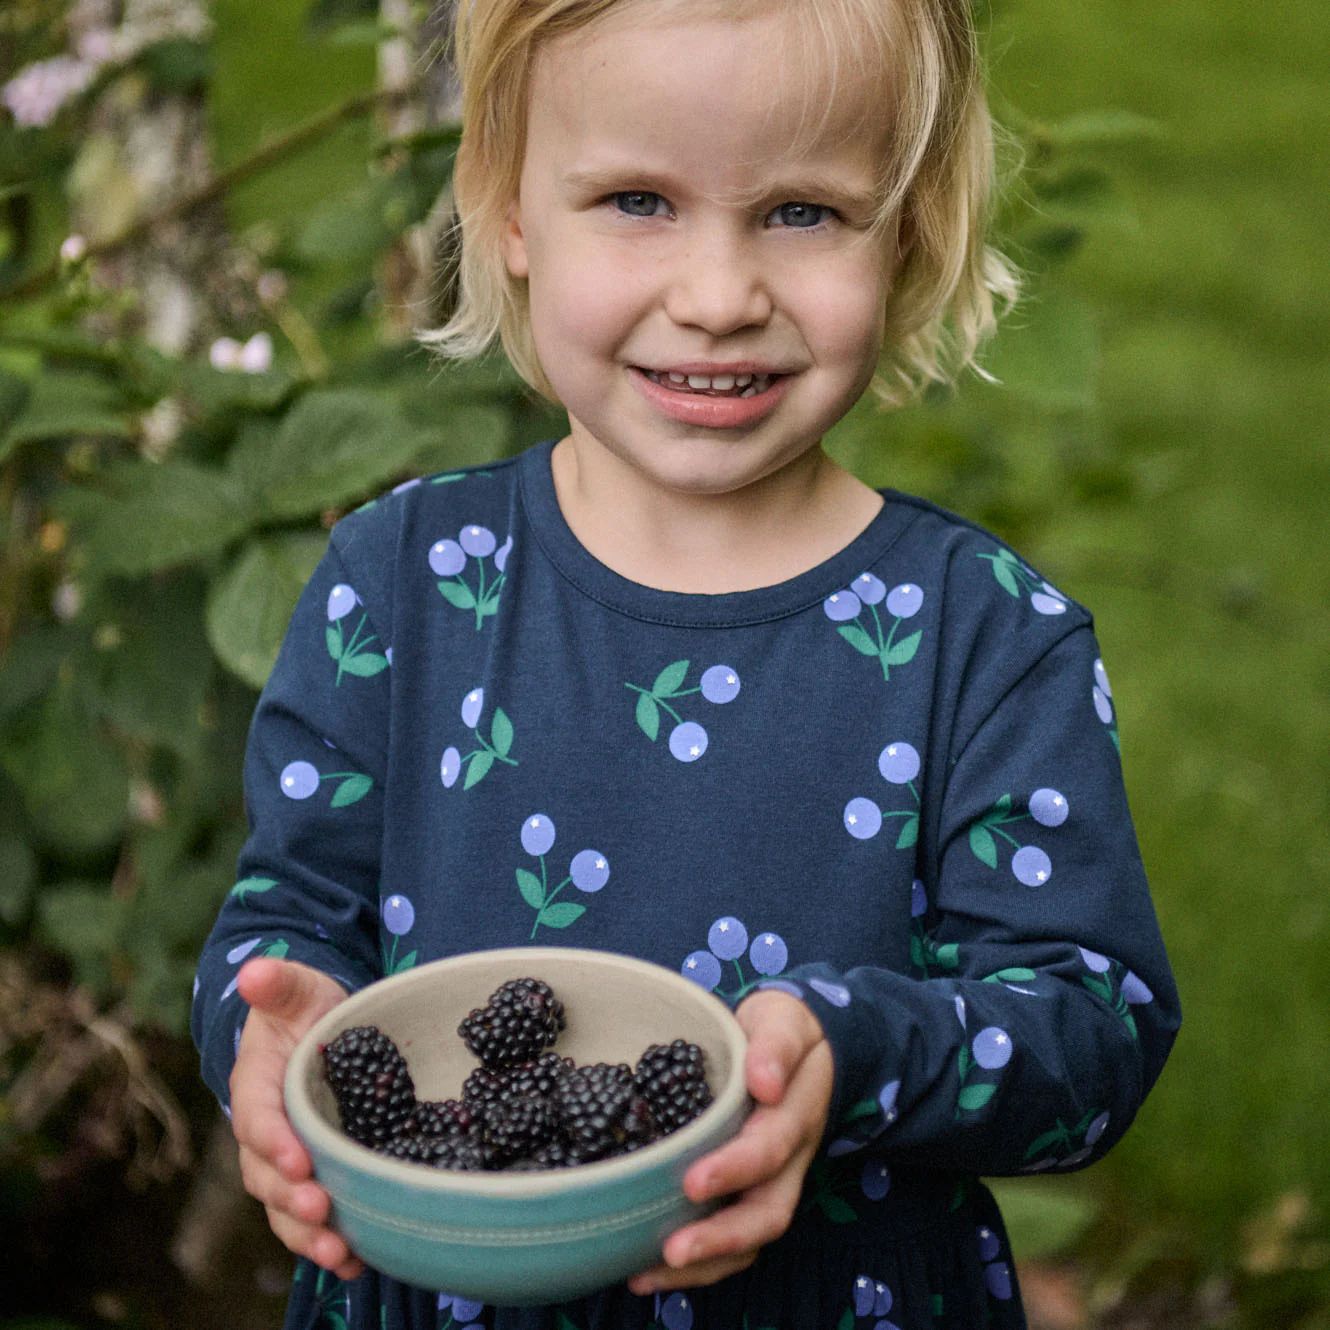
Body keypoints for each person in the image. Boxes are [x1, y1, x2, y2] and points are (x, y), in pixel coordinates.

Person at [191, 0, 1181, 1325]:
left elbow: (1090, 1032)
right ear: (507, 211)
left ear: (911, 233)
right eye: (637, 199)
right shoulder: (402, 584)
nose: (719, 298)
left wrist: (852, 1052)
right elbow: (286, 918)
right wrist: (264, 1037)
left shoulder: (983, 638)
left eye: (802, 212)